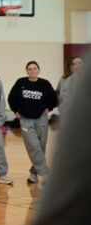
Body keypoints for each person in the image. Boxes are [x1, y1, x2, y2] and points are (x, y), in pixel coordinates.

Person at [31, 58, 90, 225]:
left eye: (80, 63)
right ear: (70, 67)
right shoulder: (66, 82)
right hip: (73, 125)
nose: (77, 66)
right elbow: (59, 99)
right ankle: (41, 172)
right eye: (74, 63)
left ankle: (37, 171)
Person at [7, 61, 57, 184]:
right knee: (34, 147)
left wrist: (48, 108)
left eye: (35, 68)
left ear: (39, 70)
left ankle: (33, 173)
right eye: (30, 69)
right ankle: (45, 174)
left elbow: (54, 99)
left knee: (41, 147)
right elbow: (11, 98)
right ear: (26, 71)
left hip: (41, 119)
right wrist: (15, 111)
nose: (32, 71)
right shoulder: (21, 83)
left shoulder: (45, 84)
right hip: (26, 120)